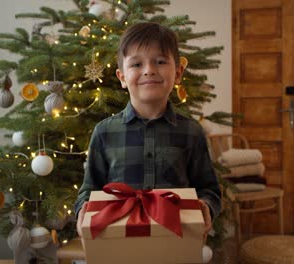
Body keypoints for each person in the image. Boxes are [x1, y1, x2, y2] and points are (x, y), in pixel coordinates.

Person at [74, 22, 221, 242]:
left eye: (160, 61)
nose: (149, 70)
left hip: (175, 243)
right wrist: (82, 211)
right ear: (122, 77)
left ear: (178, 73)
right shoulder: (104, 132)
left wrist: (206, 206)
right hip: (118, 243)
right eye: (136, 64)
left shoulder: (191, 132)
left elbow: (208, 189)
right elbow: (89, 190)